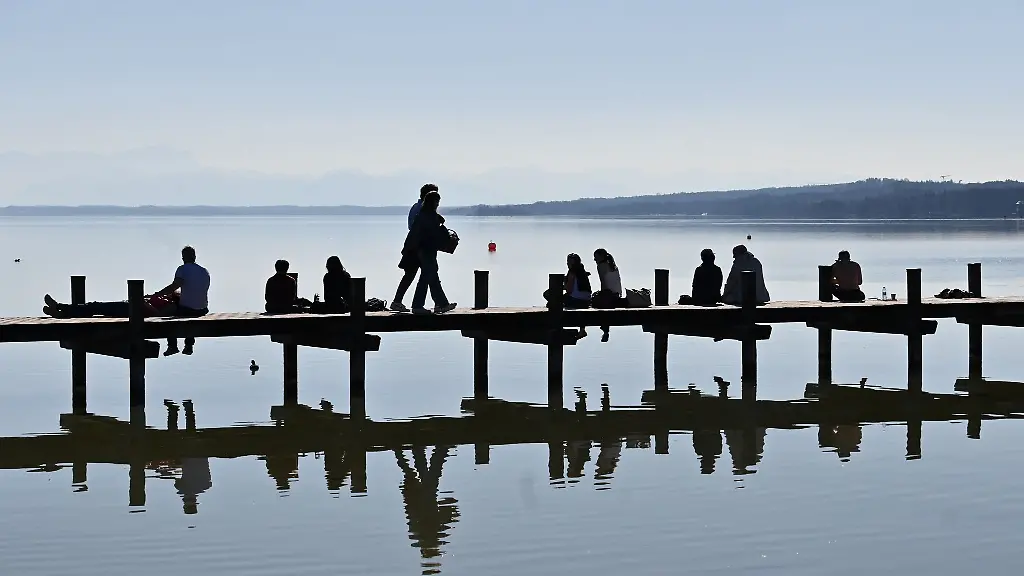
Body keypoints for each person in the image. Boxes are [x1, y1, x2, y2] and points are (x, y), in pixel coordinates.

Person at [391, 184, 444, 312]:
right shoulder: (424, 209)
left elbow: (412, 228)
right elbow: (422, 228)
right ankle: (428, 304)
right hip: (421, 248)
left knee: (414, 275)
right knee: (428, 274)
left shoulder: (416, 207)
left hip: (415, 247)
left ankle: (399, 301)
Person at [403, 190, 457, 315]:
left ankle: (440, 304)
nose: (438, 204)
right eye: (437, 201)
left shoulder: (423, 214)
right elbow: (431, 234)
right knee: (427, 277)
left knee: (431, 277)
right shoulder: (428, 216)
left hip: (423, 249)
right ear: (433, 202)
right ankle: (419, 305)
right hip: (426, 250)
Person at [154, 245, 211, 356]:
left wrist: (158, 294)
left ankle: (172, 346)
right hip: (203, 309)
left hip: (187, 309)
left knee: (168, 316)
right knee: (190, 315)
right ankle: (188, 346)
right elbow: (195, 291)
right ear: (194, 256)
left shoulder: (182, 269)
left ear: (183, 257)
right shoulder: (204, 271)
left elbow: (175, 286)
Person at [42, 292, 178, 318]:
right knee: (93, 308)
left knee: (95, 307)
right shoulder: (167, 299)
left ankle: (60, 307)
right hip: (128, 306)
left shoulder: (173, 306)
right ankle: (61, 312)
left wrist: (143, 303)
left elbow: (158, 315)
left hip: (129, 311)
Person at [591, 248, 624, 341]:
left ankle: (605, 329)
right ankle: (605, 329)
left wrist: (601, 294)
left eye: (596, 257)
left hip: (609, 295)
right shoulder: (613, 265)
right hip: (617, 294)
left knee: (594, 302)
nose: (594, 259)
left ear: (601, 257)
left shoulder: (601, 266)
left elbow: (603, 282)